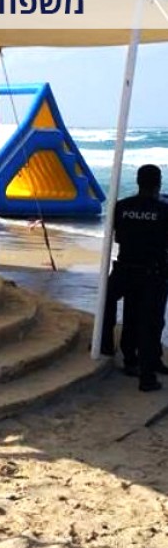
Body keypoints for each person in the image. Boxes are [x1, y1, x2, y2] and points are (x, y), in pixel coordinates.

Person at [110, 164, 168, 392]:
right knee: (151, 323)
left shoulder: (122, 206)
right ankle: (147, 376)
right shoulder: (163, 210)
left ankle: (130, 360)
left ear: (138, 181)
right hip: (153, 273)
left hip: (126, 269)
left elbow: (118, 236)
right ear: (158, 183)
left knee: (131, 317)